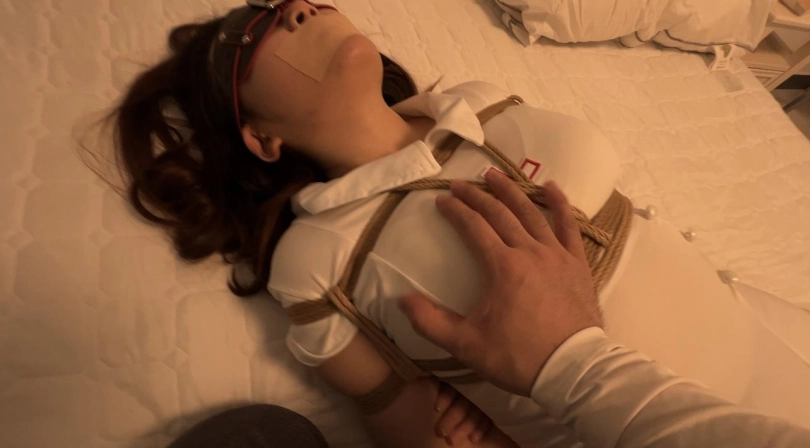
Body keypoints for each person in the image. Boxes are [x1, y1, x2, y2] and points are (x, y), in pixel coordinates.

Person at [109, 0, 810, 446]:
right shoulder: (320, 260)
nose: (295, 8)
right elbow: (407, 426)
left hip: (774, 346)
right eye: (248, 38)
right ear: (261, 136)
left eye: (294, 1)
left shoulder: (479, 103)